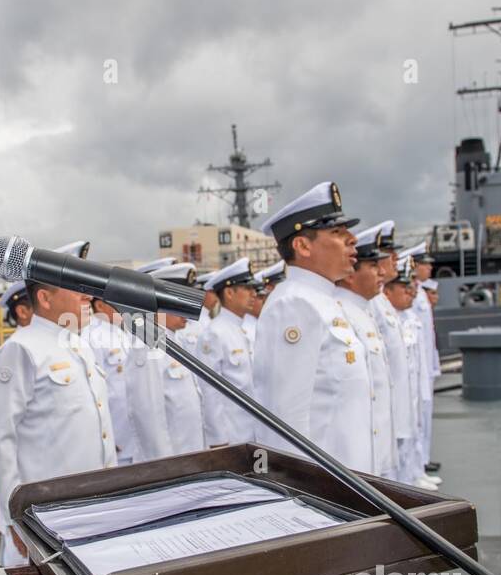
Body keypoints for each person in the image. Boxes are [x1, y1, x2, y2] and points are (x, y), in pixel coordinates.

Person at [0, 243, 116, 566]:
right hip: (43, 525)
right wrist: (15, 518)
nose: (88, 296)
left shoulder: (80, 347)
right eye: (77, 287)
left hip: (90, 513)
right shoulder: (21, 350)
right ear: (44, 297)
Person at [252, 182, 371, 470]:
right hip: (329, 492)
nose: (352, 240)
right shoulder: (294, 304)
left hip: (351, 479)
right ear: (302, 245)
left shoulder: (324, 300)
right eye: (337, 232)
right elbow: (287, 420)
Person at [81, 256, 170, 465]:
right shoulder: (91, 336)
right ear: (102, 305)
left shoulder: (123, 332)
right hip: (118, 440)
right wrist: (107, 435)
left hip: (136, 437)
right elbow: (95, 393)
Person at [335, 225, 395, 478]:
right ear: (350, 275)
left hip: (373, 439)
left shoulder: (361, 310)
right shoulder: (342, 311)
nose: (381, 272)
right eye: (373, 266)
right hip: (351, 450)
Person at [133, 262, 206, 458]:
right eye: (182, 299)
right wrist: (165, 468)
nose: (190, 307)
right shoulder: (148, 346)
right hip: (172, 463)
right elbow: (149, 418)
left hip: (190, 455)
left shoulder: (174, 339)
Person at [368, 223, 418, 486]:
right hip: (384, 413)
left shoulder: (381, 301)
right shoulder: (373, 302)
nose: (395, 261)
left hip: (396, 404)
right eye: (391, 256)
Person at [198, 258, 259, 447]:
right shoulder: (214, 333)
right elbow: (209, 390)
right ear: (229, 292)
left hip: (252, 431)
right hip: (232, 437)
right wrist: (218, 440)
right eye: (247, 289)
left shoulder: (245, 330)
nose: (254, 294)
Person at [397, 244, 442, 488]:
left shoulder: (420, 294)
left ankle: (419, 465)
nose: (429, 267)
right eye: (425, 263)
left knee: (420, 419)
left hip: (422, 367)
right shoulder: (404, 302)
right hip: (412, 374)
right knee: (412, 422)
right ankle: (413, 470)